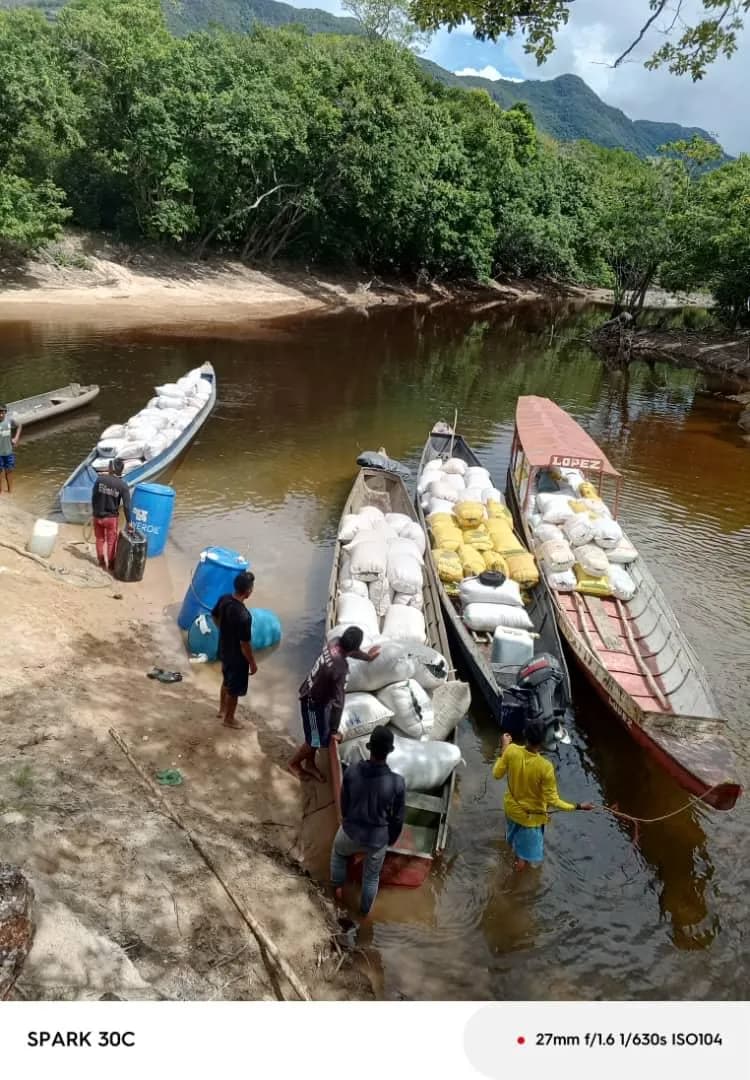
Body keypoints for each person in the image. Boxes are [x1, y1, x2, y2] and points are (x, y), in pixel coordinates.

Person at [493, 721, 593, 871]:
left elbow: (496, 774)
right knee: (523, 858)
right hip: (530, 819)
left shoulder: (511, 751)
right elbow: (553, 800)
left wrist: (504, 747)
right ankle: (512, 884)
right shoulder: (545, 767)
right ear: (543, 741)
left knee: (512, 840)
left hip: (511, 809)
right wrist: (578, 806)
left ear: (525, 735)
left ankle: (508, 862)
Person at [330, 724, 405, 918]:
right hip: (377, 840)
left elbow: (344, 804)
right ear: (389, 751)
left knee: (339, 852)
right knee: (371, 878)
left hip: (351, 832)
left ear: (369, 747)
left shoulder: (352, 771)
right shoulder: (397, 782)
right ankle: (363, 914)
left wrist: (346, 821)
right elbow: (398, 818)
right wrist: (390, 840)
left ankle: (337, 891)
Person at [288, 626, 380, 783]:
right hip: (312, 702)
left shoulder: (334, 642)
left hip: (313, 692)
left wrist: (367, 657)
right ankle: (294, 764)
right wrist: (334, 730)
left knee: (316, 735)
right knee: (315, 739)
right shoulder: (340, 669)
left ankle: (310, 763)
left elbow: (352, 652)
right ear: (354, 647)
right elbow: (338, 703)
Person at [211, 571, 257, 730]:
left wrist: (223, 630)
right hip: (237, 657)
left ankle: (222, 710)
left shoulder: (224, 599)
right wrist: (252, 663)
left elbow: (214, 616)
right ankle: (229, 719)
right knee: (235, 689)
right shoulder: (244, 616)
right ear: (249, 591)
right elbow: (245, 644)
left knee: (225, 679)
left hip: (223, 649)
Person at [91, 457, 133, 571]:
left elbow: (94, 497)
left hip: (97, 516)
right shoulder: (123, 485)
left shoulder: (100, 480)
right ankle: (110, 566)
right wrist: (129, 522)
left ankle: (101, 563)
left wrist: (94, 512)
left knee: (99, 539)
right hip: (111, 519)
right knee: (111, 542)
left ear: (111, 468)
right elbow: (127, 506)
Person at [0, 404, 22, 494]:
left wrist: (16, 438)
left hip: (8, 452)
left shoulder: (9, 420)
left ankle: (10, 491)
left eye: (2, 412)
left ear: (5, 412)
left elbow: (19, 425)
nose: (1, 414)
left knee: (9, 471)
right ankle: (0, 492)